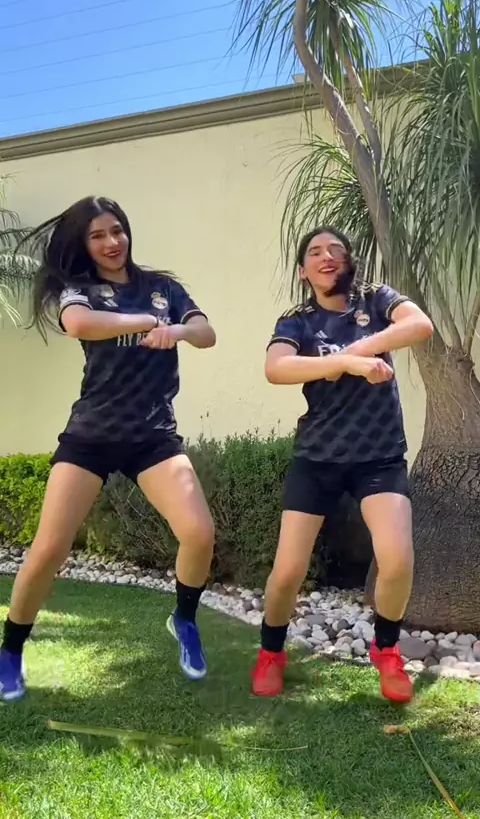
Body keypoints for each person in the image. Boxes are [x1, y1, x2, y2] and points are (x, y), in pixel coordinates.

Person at [0, 196, 216, 702]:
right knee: (49, 549)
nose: (111, 242)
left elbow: (206, 333)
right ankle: (10, 651)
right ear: (85, 244)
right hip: (92, 434)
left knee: (199, 533)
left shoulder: (162, 287)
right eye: (97, 235)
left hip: (152, 434)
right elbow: (79, 324)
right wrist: (145, 323)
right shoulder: (81, 290)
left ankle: (184, 619)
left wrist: (176, 330)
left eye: (116, 230)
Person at [251, 226, 433, 703]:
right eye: (315, 251)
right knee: (287, 571)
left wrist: (358, 348)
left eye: (336, 249)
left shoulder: (376, 299)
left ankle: (386, 650)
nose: (327, 256)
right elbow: (276, 368)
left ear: (349, 260)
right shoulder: (298, 321)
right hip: (318, 458)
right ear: (303, 271)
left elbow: (419, 326)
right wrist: (345, 365)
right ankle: (271, 652)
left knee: (397, 559)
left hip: (378, 456)